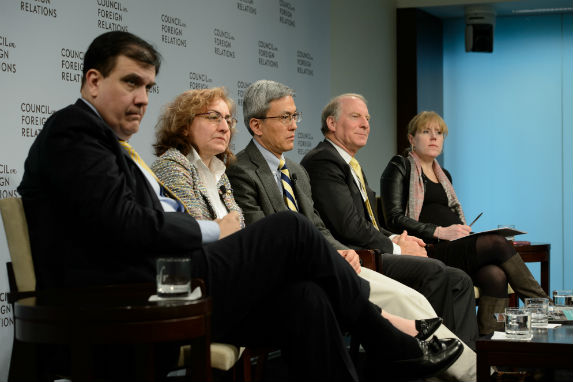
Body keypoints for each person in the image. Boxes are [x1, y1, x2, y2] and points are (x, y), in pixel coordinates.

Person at [16, 31, 462, 381]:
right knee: (288, 229)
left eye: (149, 86)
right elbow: (131, 226)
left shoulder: (109, 146)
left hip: (163, 286)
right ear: (93, 81)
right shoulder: (72, 134)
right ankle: (384, 334)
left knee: (305, 299)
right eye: (131, 82)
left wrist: (206, 227)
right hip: (131, 299)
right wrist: (216, 231)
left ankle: (381, 336)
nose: (142, 98)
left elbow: (146, 217)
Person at [225, 79, 477, 381]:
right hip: (299, 275)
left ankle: (467, 370)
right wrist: (336, 254)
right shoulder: (241, 170)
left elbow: (317, 226)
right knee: (410, 295)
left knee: (415, 301)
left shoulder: (295, 170)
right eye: (284, 117)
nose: (293, 125)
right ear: (256, 125)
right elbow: (263, 235)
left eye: (295, 116)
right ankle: (471, 374)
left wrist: (340, 251)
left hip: (332, 262)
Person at [151, 85, 442, 344]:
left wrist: (334, 254)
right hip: (214, 284)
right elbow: (200, 232)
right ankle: (386, 328)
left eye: (228, 119)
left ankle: (415, 345)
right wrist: (223, 228)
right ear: (185, 125)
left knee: (314, 298)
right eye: (213, 117)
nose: (225, 126)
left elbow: (237, 228)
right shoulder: (175, 164)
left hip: (252, 273)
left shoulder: (220, 173)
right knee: (291, 228)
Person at [300, 94, 479, 349]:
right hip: (357, 257)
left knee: (460, 280)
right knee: (436, 271)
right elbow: (349, 226)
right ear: (331, 123)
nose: (365, 124)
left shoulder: (352, 164)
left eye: (368, 118)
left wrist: (399, 238)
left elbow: (370, 222)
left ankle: (465, 361)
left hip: (374, 248)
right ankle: (423, 359)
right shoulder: (323, 160)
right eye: (356, 117)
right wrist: (397, 248)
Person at [380, 110, 550, 335]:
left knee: (495, 275)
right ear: (411, 138)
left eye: (439, 133)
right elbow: (393, 219)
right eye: (426, 132)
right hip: (425, 251)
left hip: (453, 247)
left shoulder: (444, 175)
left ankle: (490, 350)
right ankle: (543, 307)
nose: (434, 138)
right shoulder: (400, 166)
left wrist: (460, 231)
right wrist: (440, 231)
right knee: (497, 243)